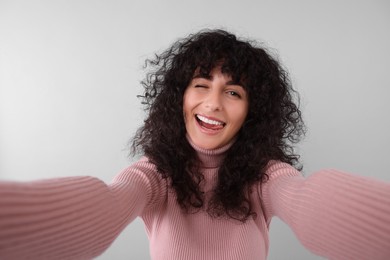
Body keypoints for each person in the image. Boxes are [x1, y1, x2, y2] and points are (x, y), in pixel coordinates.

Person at [0, 29, 389, 260]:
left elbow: (308, 202)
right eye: (201, 85)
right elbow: (106, 204)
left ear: (252, 110)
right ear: (180, 98)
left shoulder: (264, 177)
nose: (213, 103)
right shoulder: (154, 175)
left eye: (233, 92)